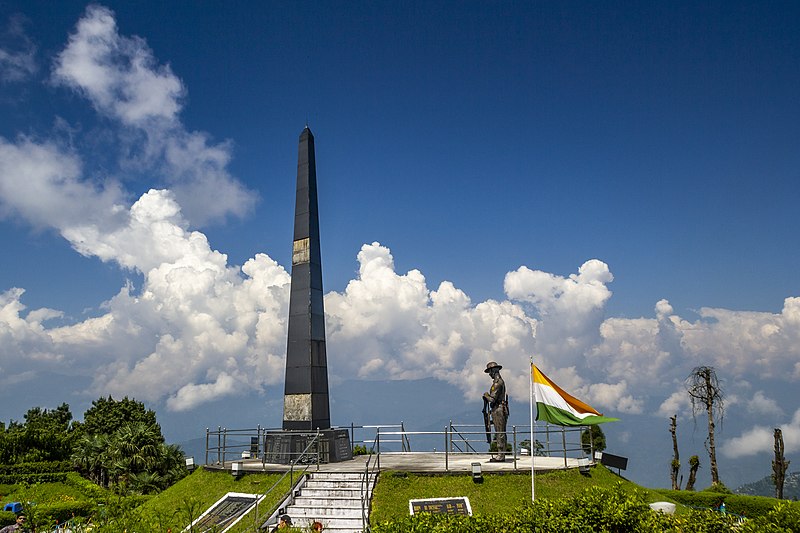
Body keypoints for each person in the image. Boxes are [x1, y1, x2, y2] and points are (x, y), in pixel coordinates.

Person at [482, 361, 508, 462]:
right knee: (500, 431)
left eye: (490, 371)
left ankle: (501, 454)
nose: (489, 374)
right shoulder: (498, 382)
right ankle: (501, 453)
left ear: (494, 371)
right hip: (498, 408)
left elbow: (492, 399)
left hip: (498, 409)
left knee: (500, 431)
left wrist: (486, 395)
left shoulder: (497, 383)